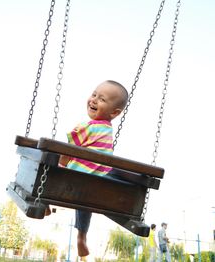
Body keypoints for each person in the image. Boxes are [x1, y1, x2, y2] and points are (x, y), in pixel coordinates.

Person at [59, 80, 128, 258]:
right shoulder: (107, 130)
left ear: (114, 112)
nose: (94, 100)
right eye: (94, 94)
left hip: (74, 179)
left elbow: (68, 148)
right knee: (85, 202)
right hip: (93, 185)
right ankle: (82, 236)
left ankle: (43, 202)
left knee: (47, 166)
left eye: (102, 99)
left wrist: (61, 164)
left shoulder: (87, 127)